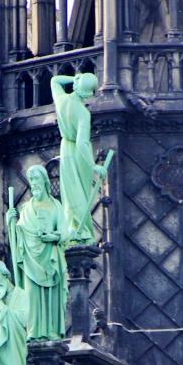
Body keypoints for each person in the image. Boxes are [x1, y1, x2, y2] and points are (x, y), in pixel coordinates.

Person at [6, 165, 68, 341]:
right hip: (30, 261)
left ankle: (52, 331)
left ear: (45, 181)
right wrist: (11, 221)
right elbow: (19, 235)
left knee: (51, 298)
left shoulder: (56, 206)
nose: (33, 183)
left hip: (50, 258)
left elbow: (65, 232)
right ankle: (33, 332)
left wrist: (52, 237)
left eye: (36, 179)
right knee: (32, 297)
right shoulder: (26, 208)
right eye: (31, 180)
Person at [51, 71, 108, 245]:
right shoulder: (83, 113)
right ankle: (82, 231)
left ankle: (73, 227)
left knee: (69, 193)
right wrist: (93, 165)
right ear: (89, 93)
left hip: (65, 149)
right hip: (77, 154)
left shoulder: (61, 100)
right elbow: (82, 142)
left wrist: (74, 78)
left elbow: (55, 80)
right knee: (80, 193)